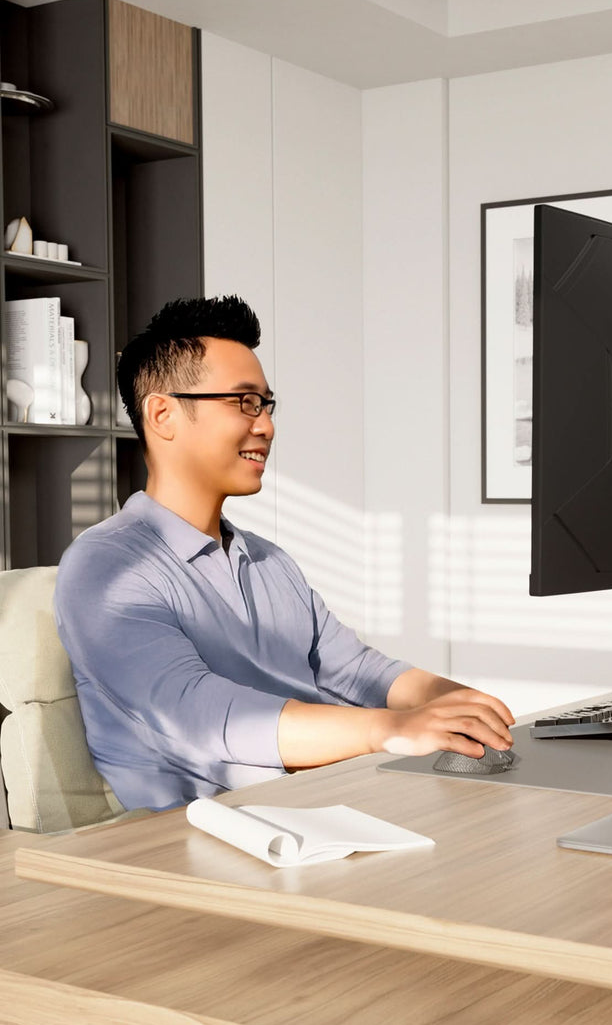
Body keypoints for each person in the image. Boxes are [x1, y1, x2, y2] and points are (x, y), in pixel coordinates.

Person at [54, 295, 514, 811]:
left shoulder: (269, 561)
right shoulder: (107, 566)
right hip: (208, 833)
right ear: (163, 414)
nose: (266, 426)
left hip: (329, 805)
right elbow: (199, 712)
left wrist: (457, 704)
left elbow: (354, 668)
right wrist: (391, 729)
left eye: (265, 404)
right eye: (243, 402)